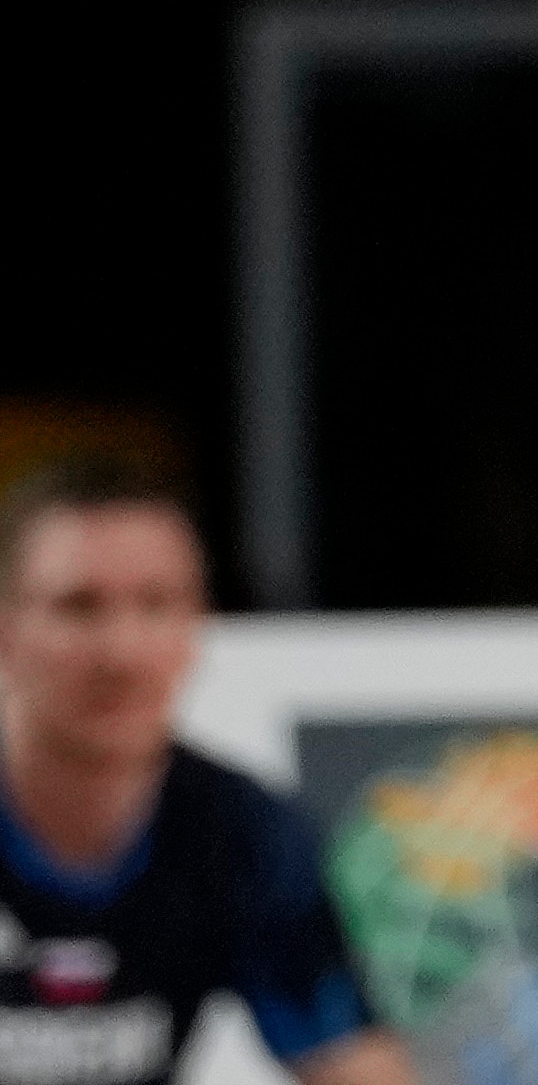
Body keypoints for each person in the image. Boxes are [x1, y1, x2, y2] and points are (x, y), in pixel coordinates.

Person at [0, 462, 410, 1085]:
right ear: (6, 627)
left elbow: (355, 1065)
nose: (122, 652)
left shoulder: (245, 833)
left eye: (158, 604)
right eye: (79, 607)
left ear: (199, 626)